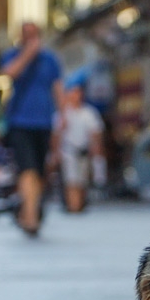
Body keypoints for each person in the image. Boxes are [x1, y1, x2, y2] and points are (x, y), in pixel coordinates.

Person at [0, 22, 63, 236]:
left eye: (34, 35)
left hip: (44, 123)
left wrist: (63, 116)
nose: (31, 39)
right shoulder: (12, 55)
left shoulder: (50, 60)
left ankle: (30, 210)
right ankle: (30, 217)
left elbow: (57, 88)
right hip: (20, 122)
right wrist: (28, 54)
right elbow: (10, 73)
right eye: (26, 35)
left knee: (39, 171)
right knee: (27, 169)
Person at [52, 79, 104, 213]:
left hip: (84, 150)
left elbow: (95, 133)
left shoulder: (89, 113)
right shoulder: (62, 114)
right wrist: (56, 152)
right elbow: (56, 135)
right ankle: (73, 206)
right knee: (71, 181)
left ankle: (79, 205)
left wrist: (96, 150)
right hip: (68, 151)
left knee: (82, 181)